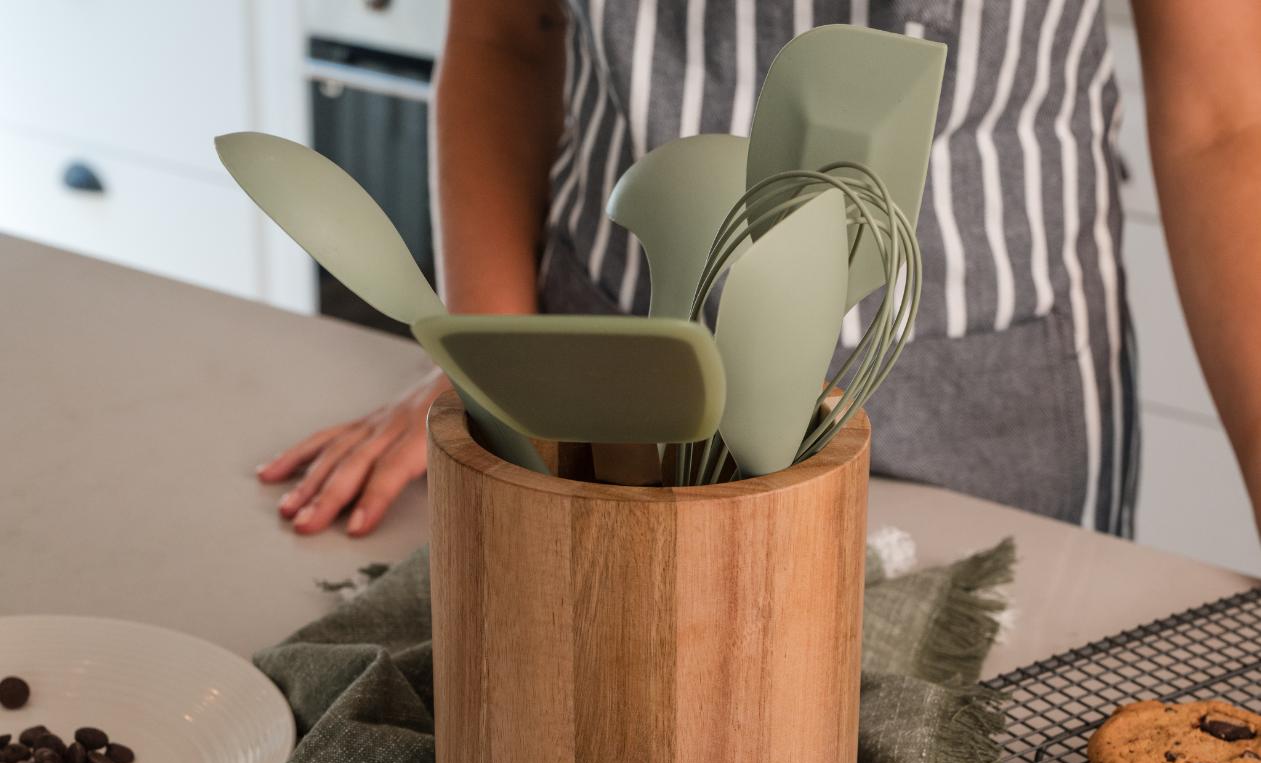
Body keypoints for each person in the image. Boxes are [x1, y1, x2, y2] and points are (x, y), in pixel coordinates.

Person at [258, 0, 1261, 542]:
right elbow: (507, 37)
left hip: (996, 398)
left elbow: (1226, 128)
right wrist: (496, 366)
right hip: (606, 358)